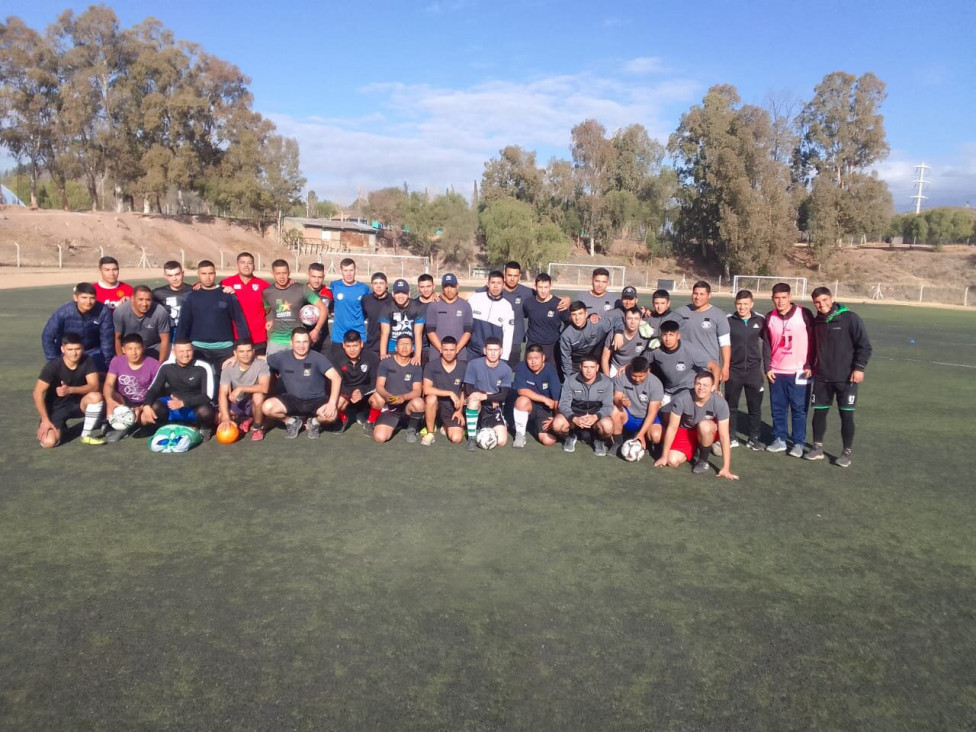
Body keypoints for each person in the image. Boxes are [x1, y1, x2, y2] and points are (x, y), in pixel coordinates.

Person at [806, 287, 873, 467]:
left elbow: (864, 346)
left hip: (846, 378)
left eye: (825, 300)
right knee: (819, 413)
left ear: (832, 298)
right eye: (817, 302)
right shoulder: (816, 322)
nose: (822, 305)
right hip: (821, 377)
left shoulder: (850, 318)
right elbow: (812, 347)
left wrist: (859, 368)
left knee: (846, 415)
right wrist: (809, 365)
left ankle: (846, 453)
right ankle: (817, 448)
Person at [762, 283, 815, 456]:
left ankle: (798, 443)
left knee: (799, 409)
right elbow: (767, 344)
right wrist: (768, 366)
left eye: (784, 297)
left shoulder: (804, 313)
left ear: (790, 297)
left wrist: (809, 364)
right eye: (776, 298)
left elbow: (814, 340)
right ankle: (780, 439)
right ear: (772, 298)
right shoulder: (770, 317)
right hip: (777, 371)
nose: (780, 301)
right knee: (778, 408)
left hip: (800, 371)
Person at [655, 371, 738, 479]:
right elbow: (672, 428)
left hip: (708, 430)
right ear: (694, 384)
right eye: (698, 384)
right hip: (686, 431)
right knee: (672, 461)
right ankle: (695, 449)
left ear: (713, 387)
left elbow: (724, 435)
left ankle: (703, 460)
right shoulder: (682, 399)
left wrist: (726, 467)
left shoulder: (720, 403)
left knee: (704, 426)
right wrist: (664, 456)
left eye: (705, 385)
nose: (701, 388)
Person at [263, 327, 341, 439]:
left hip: (316, 401)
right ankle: (291, 422)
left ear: (310, 342)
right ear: (291, 342)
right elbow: (262, 359)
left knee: (331, 416)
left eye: (305, 342)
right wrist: (236, 358)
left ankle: (314, 422)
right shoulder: (281, 357)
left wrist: (332, 403)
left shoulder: (318, 358)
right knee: (267, 407)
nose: (301, 346)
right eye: (298, 342)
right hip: (292, 400)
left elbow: (336, 378)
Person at [176, 260, 250, 373]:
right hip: (198, 348)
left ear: (215, 274)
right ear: (198, 275)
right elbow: (183, 324)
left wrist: (242, 347)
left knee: (226, 384)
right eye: (204, 274)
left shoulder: (227, 295)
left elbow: (240, 322)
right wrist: (178, 346)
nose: (207, 277)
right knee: (200, 383)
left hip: (225, 348)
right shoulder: (190, 296)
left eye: (211, 273)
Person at [34, 333, 107, 447]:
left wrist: (70, 390)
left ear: (82, 348)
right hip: (56, 408)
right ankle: (61, 428)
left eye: (77, 349)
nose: (74, 353)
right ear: (63, 349)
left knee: (96, 396)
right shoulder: (53, 366)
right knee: (49, 443)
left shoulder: (87, 361)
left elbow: (94, 386)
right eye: (70, 349)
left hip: (77, 404)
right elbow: (37, 393)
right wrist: (45, 420)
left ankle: (86, 435)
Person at [141, 339, 217, 440]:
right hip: (173, 406)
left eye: (188, 350)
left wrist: (183, 403)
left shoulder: (203, 367)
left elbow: (208, 396)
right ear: (174, 352)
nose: (185, 354)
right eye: (181, 351)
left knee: (206, 412)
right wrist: (146, 405)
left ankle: (205, 427)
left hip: (194, 407)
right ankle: (164, 425)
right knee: (154, 406)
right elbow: (153, 389)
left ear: (192, 350)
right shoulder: (166, 366)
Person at [42, 282, 115, 373]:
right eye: (84, 298)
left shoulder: (103, 311)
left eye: (92, 298)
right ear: (76, 298)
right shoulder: (63, 312)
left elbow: (107, 340)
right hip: (68, 351)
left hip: (93, 351)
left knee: (98, 379)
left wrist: (107, 363)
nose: (88, 302)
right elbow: (47, 337)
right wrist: (53, 362)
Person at [726, 290, 766, 451]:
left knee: (754, 407)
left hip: (754, 371)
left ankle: (754, 438)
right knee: (731, 406)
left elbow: (769, 343)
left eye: (745, 304)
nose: (742, 307)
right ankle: (731, 436)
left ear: (752, 304)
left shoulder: (760, 320)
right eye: (739, 304)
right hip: (733, 370)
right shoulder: (728, 320)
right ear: (735, 304)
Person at [551, 354, 615, 456]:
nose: (588, 371)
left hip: (595, 417)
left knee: (608, 427)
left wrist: (596, 416)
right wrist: (574, 418)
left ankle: (599, 440)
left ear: (597, 367)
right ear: (580, 367)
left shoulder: (607, 382)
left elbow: (608, 406)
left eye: (592, 367)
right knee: (557, 424)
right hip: (575, 416)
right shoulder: (570, 380)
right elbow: (563, 404)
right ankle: (569, 437)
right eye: (585, 367)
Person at [645, 320, 720, 406]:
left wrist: (714, 387)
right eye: (665, 335)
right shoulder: (655, 349)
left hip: (689, 390)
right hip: (670, 390)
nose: (667, 339)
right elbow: (642, 364)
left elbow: (714, 367)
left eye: (671, 335)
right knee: (657, 412)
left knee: (679, 411)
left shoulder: (690, 350)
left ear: (678, 336)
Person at [103, 333, 161, 442]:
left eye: (137, 348)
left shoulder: (154, 364)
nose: (134, 353)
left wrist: (142, 407)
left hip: (145, 402)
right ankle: (121, 425)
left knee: (145, 418)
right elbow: (109, 384)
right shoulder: (117, 361)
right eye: (130, 349)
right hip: (123, 401)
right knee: (109, 394)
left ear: (143, 348)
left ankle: (131, 426)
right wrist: (109, 400)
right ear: (123, 350)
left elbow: (156, 391)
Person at [369, 334, 425, 444]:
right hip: (391, 408)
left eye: (408, 344)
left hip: (407, 408)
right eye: (401, 344)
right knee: (379, 438)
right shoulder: (386, 363)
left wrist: (404, 397)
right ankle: (382, 422)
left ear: (412, 348)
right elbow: (379, 386)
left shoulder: (416, 366)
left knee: (419, 402)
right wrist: (387, 396)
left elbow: (417, 391)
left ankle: (411, 429)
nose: (405, 347)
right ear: (395, 347)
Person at [263, 259, 327, 355]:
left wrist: (316, 329)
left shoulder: (301, 289)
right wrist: (272, 320)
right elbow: (268, 309)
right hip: (276, 341)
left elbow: (323, 308)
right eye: (278, 273)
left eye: (284, 273)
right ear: (273, 274)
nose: (281, 277)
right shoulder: (267, 292)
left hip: (297, 341)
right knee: (271, 369)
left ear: (289, 272)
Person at [461, 337, 513, 450]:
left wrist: (487, 396)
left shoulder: (506, 370)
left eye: (496, 350)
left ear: (501, 351)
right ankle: (472, 438)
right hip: (478, 406)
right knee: (473, 398)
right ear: (485, 351)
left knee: (502, 441)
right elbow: (468, 389)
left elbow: (503, 395)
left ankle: (484, 428)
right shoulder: (474, 364)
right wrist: (487, 395)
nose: (493, 353)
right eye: (490, 350)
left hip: (493, 409)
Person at [675, 281, 731, 383]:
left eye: (702, 294)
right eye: (695, 293)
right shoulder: (679, 312)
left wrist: (726, 367)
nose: (697, 297)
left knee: (707, 398)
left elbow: (725, 343)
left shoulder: (718, 315)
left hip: (708, 368)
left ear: (709, 295)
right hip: (684, 367)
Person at [218, 339, 271, 442]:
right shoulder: (228, 367)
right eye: (241, 351)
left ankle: (257, 427)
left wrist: (241, 388)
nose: (245, 354)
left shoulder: (261, 364)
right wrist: (226, 418)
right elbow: (222, 394)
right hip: (238, 403)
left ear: (253, 351)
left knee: (258, 395)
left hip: (254, 404)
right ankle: (245, 420)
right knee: (219, 417)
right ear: (235, 353)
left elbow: (264, 388)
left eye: (248, 351)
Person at [611, 356, 664, 454]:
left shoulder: (656, 384)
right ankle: (618, 443)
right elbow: (616, 397)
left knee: (656, 436)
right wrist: (620, 402)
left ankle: (645, 441)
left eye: (641, 376)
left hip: (646, 417)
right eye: (634, 376)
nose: (637, 379)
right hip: (629, 416)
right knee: (614, 410)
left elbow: (652, 413)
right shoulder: (622, 376)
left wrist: (641, 434)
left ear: (648, 371)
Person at [512, 344, 562, 448]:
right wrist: (544, 399)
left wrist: (556, 419)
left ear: (543, 358)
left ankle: (534, 428)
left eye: (536, 358)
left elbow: (556, 399)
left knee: (549, 441)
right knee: (521, 400)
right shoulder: (521, 367)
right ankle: (520, 434)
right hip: (530, 407)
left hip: (545, 411)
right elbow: (521, 390)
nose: (533, 362)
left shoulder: (550, 371)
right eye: (530, 358)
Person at [220, 252, 270, 354]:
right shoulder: (226, 283)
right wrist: (198, 284)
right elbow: (209, 290)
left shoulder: (263, 285)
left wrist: (290, 282)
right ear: (237, 266)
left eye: (249, 263)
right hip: (235, 337)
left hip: (258, 338)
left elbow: (274, 301)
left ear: (254, 266)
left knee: (258, 368)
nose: (246, 265)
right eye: (242, 262)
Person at [421, 335, 466, 446]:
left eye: (452, 350)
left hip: (453, 408)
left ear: (457, 351)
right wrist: (450, 393)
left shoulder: (464, 367)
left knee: (456, 438)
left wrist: (459, 411)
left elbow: (466, 390)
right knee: (431, 398)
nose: (449, 353)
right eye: (445, 350)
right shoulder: (431, 366)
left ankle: (446, 426)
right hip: (436, 405)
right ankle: (430, 433)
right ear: (440, 350)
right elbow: (426, 389)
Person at [332, 330, 380, 433]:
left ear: (361, 344)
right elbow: (335, 383)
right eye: (348, 346)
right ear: (343, 345)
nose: (352, 350)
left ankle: (370, 421)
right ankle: (343, 419)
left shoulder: (372, 357)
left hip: (366, 392)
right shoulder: (336, 358)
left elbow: (376, 382)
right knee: (336, 402)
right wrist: (350, 393)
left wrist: (361, 392)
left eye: (355, 345)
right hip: (346, 393)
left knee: (379, 398)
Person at [559, 301, 618, 381]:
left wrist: (618, 333)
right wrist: (569, 381)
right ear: (570, 316)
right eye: (574, 314)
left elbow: (618, 320)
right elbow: (566, 361)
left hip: (598, 364)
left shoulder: (597, 324)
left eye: (580, 314)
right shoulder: (566, 335)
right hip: (578, 366)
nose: (577, 318)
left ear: (586, 314)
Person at [522, 273, 569, 368]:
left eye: (546, 287)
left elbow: (568, 322)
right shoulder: (528, 303)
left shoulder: (559, 304)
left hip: (552, 346)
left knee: (553, 376)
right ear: (535, 286)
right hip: (533, 344)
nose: (543, 291)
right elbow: (525, 316)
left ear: (551, 286)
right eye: (540, 287)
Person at [113, 285, 171, 361]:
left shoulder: (160, 312)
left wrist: (159, 365)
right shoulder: (120, 312)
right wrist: (120, 361)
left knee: (173, 350)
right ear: (132, 298)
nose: (144, 304)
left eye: (148, 300)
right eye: (140, 299)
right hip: (130, 349)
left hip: (153, 347)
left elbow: (165, 340)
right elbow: (117, 338)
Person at [467, 271, 516, 362]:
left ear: (503, 285)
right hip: (472, 352)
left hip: (492, 354)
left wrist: (504, 358)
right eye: (493, 282)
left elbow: (508, 334)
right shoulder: (475, 299)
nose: (496, 286)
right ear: (488, 284)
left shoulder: (507, 306)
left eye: (499, 283)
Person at [328, 258, 371, 361]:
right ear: (341, 271)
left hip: (358, 334)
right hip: (339, 336)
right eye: (346, 270)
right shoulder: (334, 286)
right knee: (339, 368)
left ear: (355, 270)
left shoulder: (364, 289)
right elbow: (325, 299)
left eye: (351, 270)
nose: (348, 274)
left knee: (359, 369)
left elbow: (370, 308)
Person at [425, 273, 473, 363]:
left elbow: (468, 331)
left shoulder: (465, 305)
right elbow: (430, 331)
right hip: (437, 355)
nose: (449, 290)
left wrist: (456, 350)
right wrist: (443, 350)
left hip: (459, 356)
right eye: (446, 286)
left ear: (457, 286)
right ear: (442, 287)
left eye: (452, 286)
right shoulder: (433, 305)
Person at [379, 278, 425, 364]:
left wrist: (417, 355)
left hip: (410, 347)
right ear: (393, 294)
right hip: (392, 347)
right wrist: (383, 353)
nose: (400, 296)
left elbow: (418, 333)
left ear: (409, 294)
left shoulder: (418, 307)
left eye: (404, 293)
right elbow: (384, 333)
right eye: (397, 293)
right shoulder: (387, 307)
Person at [602, 307, 650, 377]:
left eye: (636, 319)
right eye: (629, 318)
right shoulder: (614, 334)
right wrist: (607, 378)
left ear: (640, 321)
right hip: (616, 367)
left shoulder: (646, 335)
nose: (633, 322)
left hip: (635, 367)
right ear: (624, 319)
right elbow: (605, 358)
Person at [152, 260, 192, 333]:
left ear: (183, 274)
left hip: (189, 332)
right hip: (168, 333)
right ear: (165, 276)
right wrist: (128, 297)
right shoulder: (157, 293)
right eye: (170, 275)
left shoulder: (193, 290)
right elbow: (141, 299)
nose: (174, 279)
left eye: (177, 274)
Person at [362, 272, 392, 356]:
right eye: (375, 283)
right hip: (371, 346)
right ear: (371, 285)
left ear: (386, 285)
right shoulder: (366, 300)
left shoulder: (393, 300)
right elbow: (361, 319)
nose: (378, 286)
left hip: (390, 347)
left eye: (381, 283)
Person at [306, 262, 334, 353]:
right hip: (305, 338)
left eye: (319, 277)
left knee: (326, 366)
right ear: (308, 275)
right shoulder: (300, 291)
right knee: (307, 366)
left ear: (324, 276)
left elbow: (334, 310)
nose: (316, 280)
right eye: (314, 277)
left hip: (323, 338)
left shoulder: (329, 292)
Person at [414, 273, 436, 363]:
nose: (426, 290)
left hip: (435, 347)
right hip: (419, 347)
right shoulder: (413, 304)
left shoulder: (439, 302)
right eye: (422, 287)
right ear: (418, 288)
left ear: (433, 286)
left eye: (428, 286)